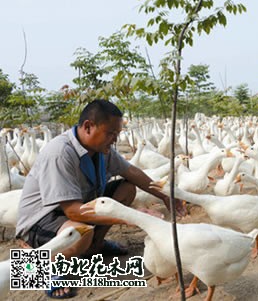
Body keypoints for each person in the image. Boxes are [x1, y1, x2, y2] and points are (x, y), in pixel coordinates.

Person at [15, 99, 185, 298]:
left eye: (117, 134)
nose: (115, 139)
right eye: (111, 133)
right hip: (43, 219)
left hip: (76, 209)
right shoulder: (60, 153)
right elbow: (72, 211)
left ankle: (94, 245)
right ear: (88, 127)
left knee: (127, 189)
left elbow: (131, 172)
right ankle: (45, 267)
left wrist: (165, 196)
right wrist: (133, 216)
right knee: (80, 233)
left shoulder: (101, 151)